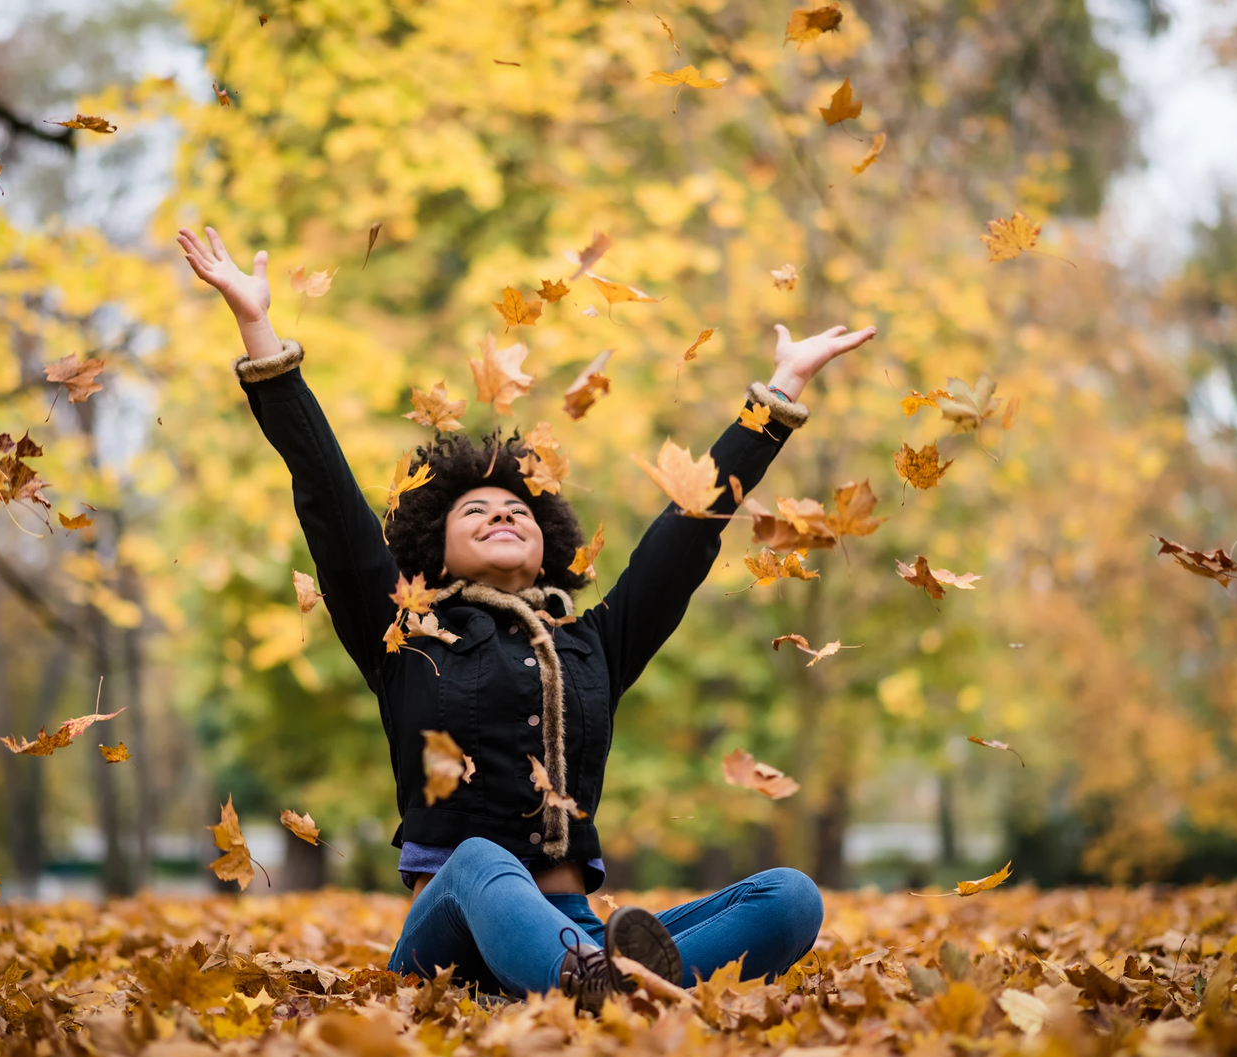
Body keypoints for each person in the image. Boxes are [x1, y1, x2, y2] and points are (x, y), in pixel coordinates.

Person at [178, 225, 876, 1011]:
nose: (501, 514)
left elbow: (686, 533)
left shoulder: (595, 645)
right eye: (476, 509)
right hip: (452, 941)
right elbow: (328, 497)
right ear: (432, 551)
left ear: (548, 541)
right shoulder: (404, 635)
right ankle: (611, 986)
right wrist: (257, 332)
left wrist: (774, 402)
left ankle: (607, 986)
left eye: (517, 509)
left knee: (790, 896)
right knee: (477, 857)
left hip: (579, 930)